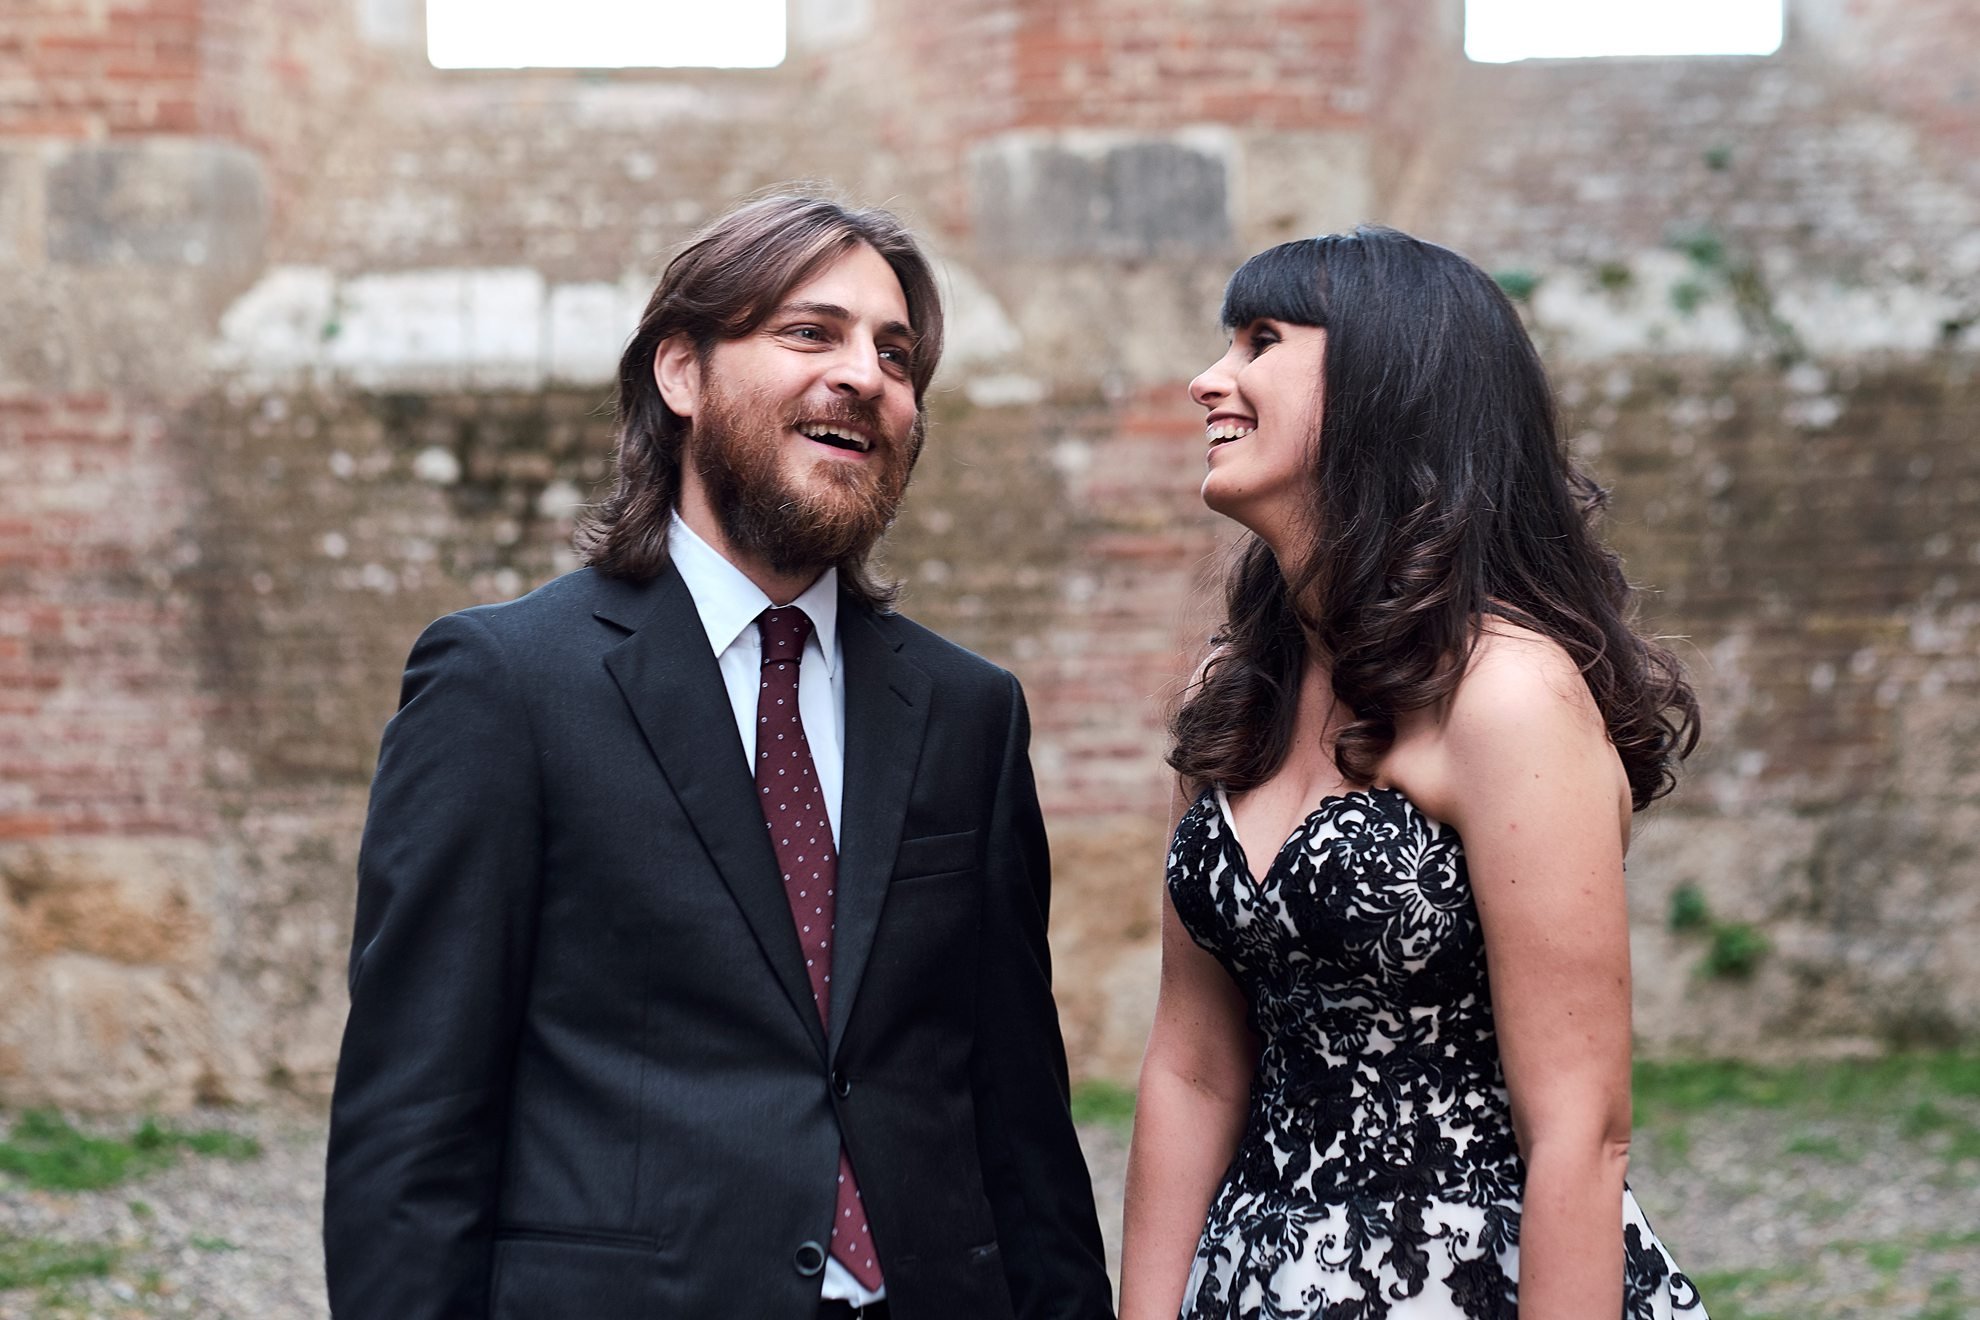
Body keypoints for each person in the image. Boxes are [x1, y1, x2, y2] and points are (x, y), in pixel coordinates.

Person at [324, 193, 1114, 1320]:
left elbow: (1021, 1124)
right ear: (681, 374)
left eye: (896, 355)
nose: (865, 376)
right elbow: (413, 1124)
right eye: (810, 333)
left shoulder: (969, 712)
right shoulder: (505, 687)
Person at [1118, 227, 1708, 1320]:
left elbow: (1581, 1130)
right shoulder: (1232, 693)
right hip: (1249, 1283)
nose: (1213, 381)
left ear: (1389, 382)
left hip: (1461, 1283)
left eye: (1261, 341)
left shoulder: (1509, 694)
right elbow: (1192, 1067)